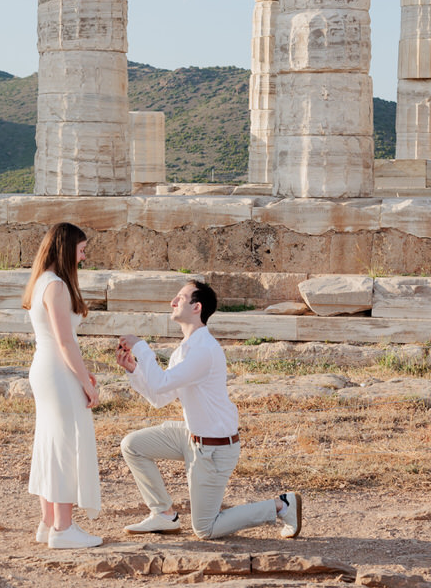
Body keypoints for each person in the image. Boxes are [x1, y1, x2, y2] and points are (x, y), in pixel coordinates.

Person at [116, 279, 302, 540]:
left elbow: (160, 383)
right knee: (132, 445)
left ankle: (281, 506)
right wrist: (135, 370)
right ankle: (164, 514)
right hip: (191, 437)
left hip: (214, 448)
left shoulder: (204, 350)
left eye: (180, 297)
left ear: (197, 307)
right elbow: (160, 396)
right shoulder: (185, 350)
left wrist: (140, 347)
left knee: (205, 528)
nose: (172, 302)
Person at [22, 222, 102, 550]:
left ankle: (48, 523)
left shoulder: (43, 281)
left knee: (50, 443)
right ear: (66, 248)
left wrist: (83, 374)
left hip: (48, 369)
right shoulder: (56, 286)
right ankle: (63, 527)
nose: (83, 258)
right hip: (56, 370)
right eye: (81, 251)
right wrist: (87, 383)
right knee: (66, 445)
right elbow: (66, 342)